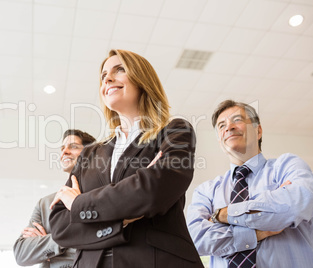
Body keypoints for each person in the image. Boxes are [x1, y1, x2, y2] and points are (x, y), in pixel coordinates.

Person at [49, 49, 203, 268]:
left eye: (119, 69)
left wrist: (79, 204)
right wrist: (120, 220)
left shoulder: (174, 132)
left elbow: (152, 190)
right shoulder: (90, 153)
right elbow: (60, 226)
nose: (108, 79)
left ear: (143, 79)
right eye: (103, 76)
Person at [186, 99, 313, 267]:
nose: (228, 127)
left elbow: (299, 202)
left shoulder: (286, 166)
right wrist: (256, 233)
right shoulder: (206, 191)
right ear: (220, 142)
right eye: (221, 126)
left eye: (237, 120)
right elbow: (195, 239)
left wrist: (221, 215)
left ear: (258, 131)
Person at [13, 129, 96, 268]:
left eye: (73, 146)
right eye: (63, 148)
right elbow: (21, 254)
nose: (65, 152)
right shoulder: (45, 204)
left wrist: (46, 243)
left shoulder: (101, 196)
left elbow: (102, 242)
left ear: (91, 153)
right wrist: (63, 239)